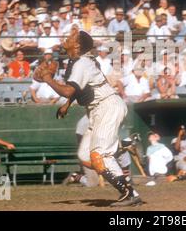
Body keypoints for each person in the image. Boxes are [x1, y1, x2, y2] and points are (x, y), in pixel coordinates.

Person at [34, 29, 142, 207]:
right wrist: (67, 105)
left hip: (108, 106)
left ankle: (128, 193)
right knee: (86, 156)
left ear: (77, 45)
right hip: (97, 110)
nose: (66, 38)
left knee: (99, 155)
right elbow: (80, 90)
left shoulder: (81, 63)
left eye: (70, 37)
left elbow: (69, 90)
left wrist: (47, 78)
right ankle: (124, 146)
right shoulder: (76, 62)